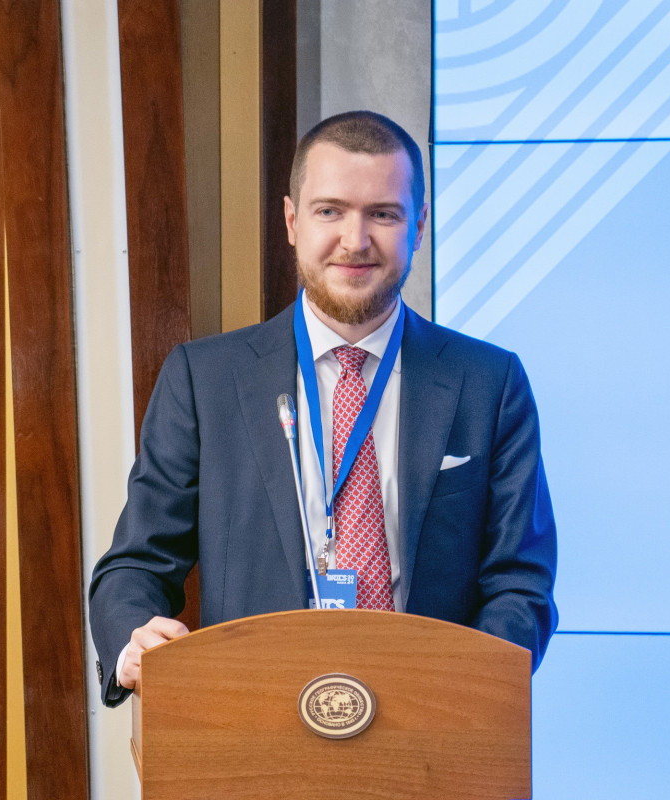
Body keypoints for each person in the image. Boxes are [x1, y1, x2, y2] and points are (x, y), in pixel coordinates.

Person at [89, 110, 557, 707]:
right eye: (329, 210)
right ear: (292, 220)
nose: (355, 240)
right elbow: (135, 566)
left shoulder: (490, 383)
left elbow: (521, 582)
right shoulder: (204, 380)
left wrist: (465, 688)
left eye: (383, 214)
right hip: (251, 720)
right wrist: (135, 637)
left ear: (417, 228)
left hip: (434, 724)